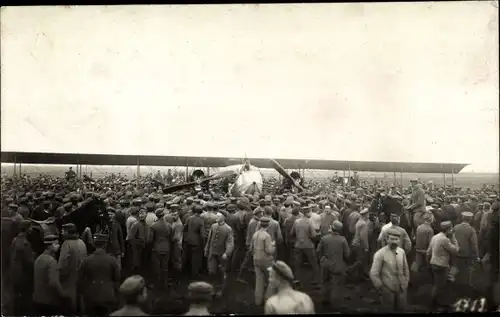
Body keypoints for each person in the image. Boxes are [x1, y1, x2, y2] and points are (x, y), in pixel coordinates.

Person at [78, 233, 120, 316]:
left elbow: (80, 280)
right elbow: (117, 278)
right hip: (107, 295)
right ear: (105, 244)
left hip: (91, 295)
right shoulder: (111, 260)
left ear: (94, 243)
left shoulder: (86, 260)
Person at [370, 228, 410, 312]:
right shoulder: (380, 254)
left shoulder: (401, 252)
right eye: (392, 239)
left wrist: (406, 282)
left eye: (396, 239)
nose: (394, 242)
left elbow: (406, 269)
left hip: (401, 289)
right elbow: (374, 274)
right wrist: (382, 288)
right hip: (388, 290)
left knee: (402, 309)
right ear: (387, 239)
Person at [33, 234, 70, 316]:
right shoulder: (51, 261)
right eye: (55, 244)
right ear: (49, 246)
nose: (58, 246)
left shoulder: (38, 259)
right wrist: (63, 294)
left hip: (37, 299)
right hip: (49, 301)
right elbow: (54, 282)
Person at [316, 220, 350, 308]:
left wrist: (321, 259)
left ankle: (325, 299)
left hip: (325, 263)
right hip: (337, 265)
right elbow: (347, 254)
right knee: (336, 284)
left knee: (325, 282)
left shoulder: (324, 238)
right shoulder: (343, 240)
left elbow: (318, 251)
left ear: (332, 228)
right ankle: (335, 304)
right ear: (339, 230)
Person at [426, 221, 459, 310]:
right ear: (448, 229)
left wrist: (428, 263)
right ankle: (434, 304)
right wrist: (453, 237)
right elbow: (455, 250)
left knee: (439, 285)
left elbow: (428, 252)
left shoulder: (435, 237)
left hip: (434, 264)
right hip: (442, 265)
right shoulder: (445, 239)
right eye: (451, 229)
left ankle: (439, 302)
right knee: (439, 286)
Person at [58, 223, 87, 314]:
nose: (61, 233)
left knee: (69, 307)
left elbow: (63, 264)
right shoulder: (82, 242)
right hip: (80, 278)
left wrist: (59, 276)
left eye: (63, 231)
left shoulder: (66, 244)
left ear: (67, 232)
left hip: (69, 279)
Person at [204, 211, 234, 296]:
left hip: (221, 255)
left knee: (221, 272)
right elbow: (209, 239)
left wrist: (227, 253)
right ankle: (213, 288)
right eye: (216, 215)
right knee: (212, 271)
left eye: (218, 216)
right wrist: (206, 249)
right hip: (212, 253)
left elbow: (230, 243)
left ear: (223, 218)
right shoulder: (213, 226)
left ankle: (220, 289)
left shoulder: (228, 229)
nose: (216, 217)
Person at [10, 220, 34, 316]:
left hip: (14, 271)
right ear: (27, 228)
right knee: (25, 296)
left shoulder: (15, 240)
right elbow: (29, 262)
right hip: (23, 273)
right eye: (30, 227)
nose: (31, 229)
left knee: (16, 294)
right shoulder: (25, 243)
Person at [291, 206, 320, 286]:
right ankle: (317, 280)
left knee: (297, 264)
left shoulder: (297, 221)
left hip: (298, 245)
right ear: (307, 213)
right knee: (314, 263)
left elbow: (292, 233)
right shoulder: (309, 222)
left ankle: (297, 279)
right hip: (308, 245)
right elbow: (314, 235)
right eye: (310, 212)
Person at [250, 217, 276, 306]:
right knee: (271, 279)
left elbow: (251, 249)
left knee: (259, 281)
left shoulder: (255, 234)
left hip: (256, 259)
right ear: (268, 225)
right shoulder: (267, 236)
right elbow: (269, 251)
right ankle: (268, 300)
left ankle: (258, 301)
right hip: (266, 260)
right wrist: (273, 246)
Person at [148, 208, 173, 290]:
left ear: (156, 215)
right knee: (165, 267)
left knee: (157, 267)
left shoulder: (153, 226)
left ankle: (157, 284)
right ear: (163, 215)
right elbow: (171, 237)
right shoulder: (169, 225)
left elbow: (150, 240)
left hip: (156, 249)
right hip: (166, 248)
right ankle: (165, 284)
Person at [453, 211, 479, 286]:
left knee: (456, 266)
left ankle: (455, 281)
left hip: (456, 251)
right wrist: (476, 255)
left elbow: (451, 239)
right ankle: (468, 283)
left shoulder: (455, 227)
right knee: (469, 268)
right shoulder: (471, 230)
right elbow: (474, 244)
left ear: (462, 218)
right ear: (470, 219)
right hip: (467, 253)